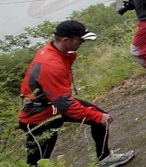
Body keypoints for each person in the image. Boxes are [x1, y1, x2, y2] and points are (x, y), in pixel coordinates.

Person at [18, 20, 135, 167]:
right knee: (38, 161)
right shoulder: (51, 64)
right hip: (38, 116)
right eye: (80, 40)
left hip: (54, 104)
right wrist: (96, 116)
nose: (83, 43)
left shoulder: (56, 51)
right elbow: (65, 105)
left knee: (100, 118)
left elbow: (61, 100)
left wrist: (97, 116)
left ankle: (104, 158)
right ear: (66, 40)